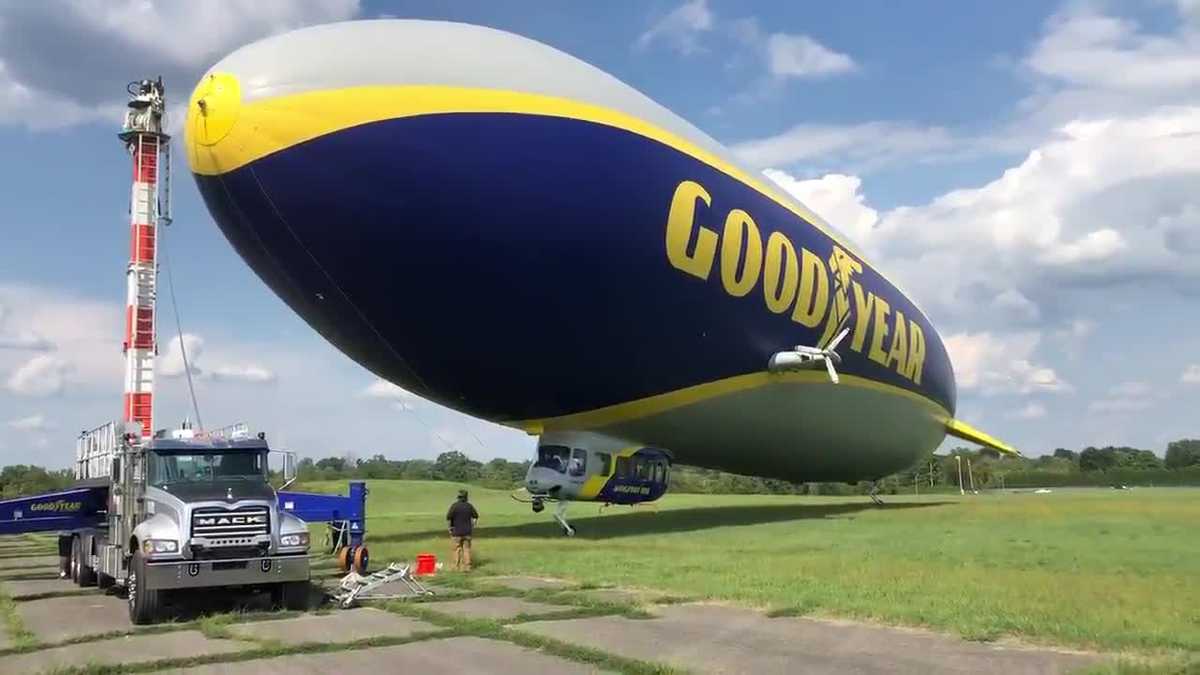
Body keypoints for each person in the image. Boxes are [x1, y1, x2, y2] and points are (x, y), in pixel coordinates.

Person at [446, 488, 479, 572]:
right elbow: (475, 516)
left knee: (457, 549)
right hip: (467, 532)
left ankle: (456, 568)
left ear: (458, 497)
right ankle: (467, 568)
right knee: (466, 549)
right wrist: (472, 525)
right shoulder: (469, 506)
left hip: (456, 532)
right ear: (466, 497)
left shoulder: (454, 506)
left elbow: (449, 518)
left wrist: (450, 528)